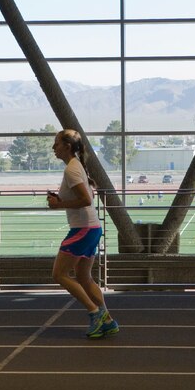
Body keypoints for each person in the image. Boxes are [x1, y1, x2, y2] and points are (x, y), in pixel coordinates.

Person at [47, 129, 119, 339]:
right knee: (84, 277)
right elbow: (85, 198)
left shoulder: (71, 170)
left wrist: (58, 205)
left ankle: (95, 313)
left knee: (59, 274)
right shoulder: (76, 166)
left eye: (57, 144)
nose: (54, 148)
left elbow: (86, 200)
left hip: (83, 229)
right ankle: (107, 320)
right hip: (92, 228)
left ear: (67, 146)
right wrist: (60, 202)